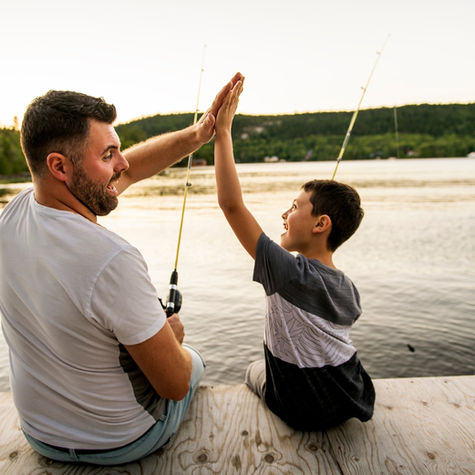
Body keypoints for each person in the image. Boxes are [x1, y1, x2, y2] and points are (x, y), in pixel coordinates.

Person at [0, 72, 243, 465]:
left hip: (40, 434)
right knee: (190, 362)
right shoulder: (112, 259)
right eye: (108, 154)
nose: (123, 162)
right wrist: (171, 339)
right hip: (120, 441)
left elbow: (128, 173)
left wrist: (197, 135)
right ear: (60, 166)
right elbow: (175, 385)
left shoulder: (12, 217)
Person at [213, 79, 375, 431]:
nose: (284, 215)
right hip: (352, 396)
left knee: (252, 370)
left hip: (302, 409)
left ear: (321, 224)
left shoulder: (287, 272)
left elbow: (231, 205)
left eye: (294, 207)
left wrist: (223, 132)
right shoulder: (348, 288)